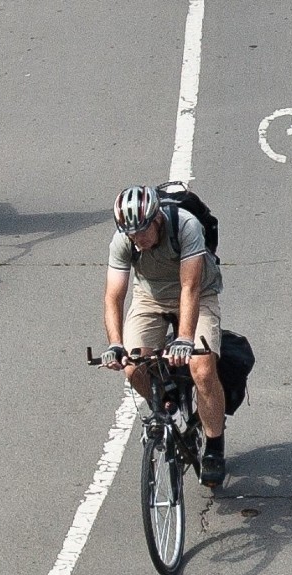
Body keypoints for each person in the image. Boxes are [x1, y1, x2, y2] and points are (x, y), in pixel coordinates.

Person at [100, 185, 226, 487]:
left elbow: (190, 287)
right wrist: (115, 344)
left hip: (198, 294)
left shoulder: (185, 225)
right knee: (133, 367)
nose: (138, 239)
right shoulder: (123, 241)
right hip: (150, 299)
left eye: (142, 231)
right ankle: (166, 398)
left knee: (202, 368)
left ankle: (214, 446)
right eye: (131, 234)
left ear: (157, 219)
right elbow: (113, 297)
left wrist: (184, 338)